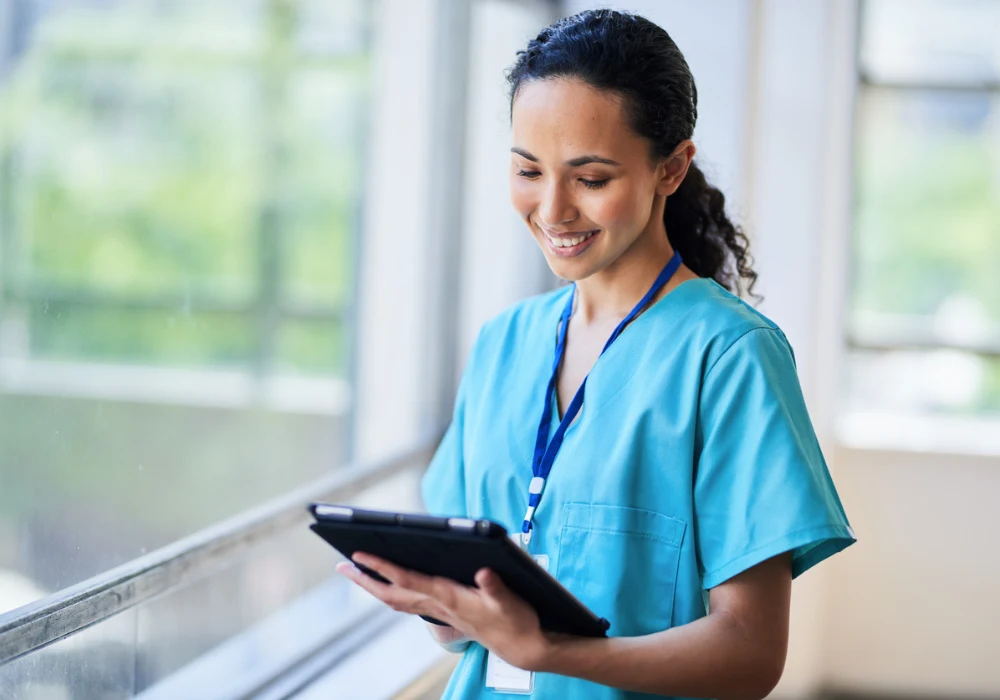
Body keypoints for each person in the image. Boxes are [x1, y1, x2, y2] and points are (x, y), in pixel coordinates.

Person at [336, 9, 855, 699]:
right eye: (528, 170)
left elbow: (751, 653)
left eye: (591, 178)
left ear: (670, 169)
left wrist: (555, 651)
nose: (552, 209)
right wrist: (432, 596)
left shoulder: (730, 358)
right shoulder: (503, 345)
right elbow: (459, 632)